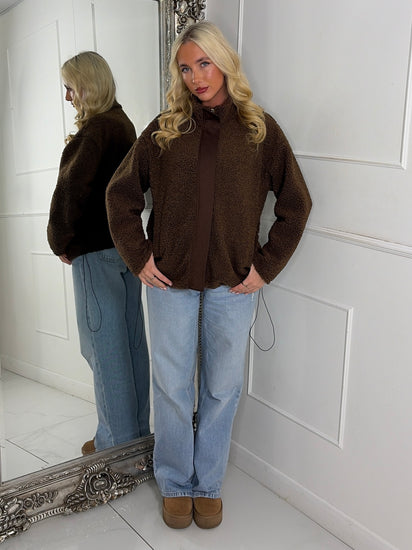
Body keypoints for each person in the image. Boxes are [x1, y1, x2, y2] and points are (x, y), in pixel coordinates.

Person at [106, 21, 312, 529]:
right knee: (172, 385)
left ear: (224, 62)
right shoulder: (165, 129)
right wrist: (139, 255)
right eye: (185, 68)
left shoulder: (260, 130)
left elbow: (296, 203)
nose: (196, 77)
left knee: (222, 387)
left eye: (204, 63)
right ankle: (177, 482)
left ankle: (208, 483)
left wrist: (265, 266)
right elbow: (120, 194)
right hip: (169, 281)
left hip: (233, 282)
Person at [47, 51, 150, 455]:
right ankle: (136, 439)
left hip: (95, 251)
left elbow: (70, 192)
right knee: (130, 344)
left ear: (87, 86)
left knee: (104, 349)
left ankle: (115, 449)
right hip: (126, 250)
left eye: (70, 88)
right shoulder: (124, 125)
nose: (68, 97)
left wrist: (61, 242)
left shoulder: (94, 131)